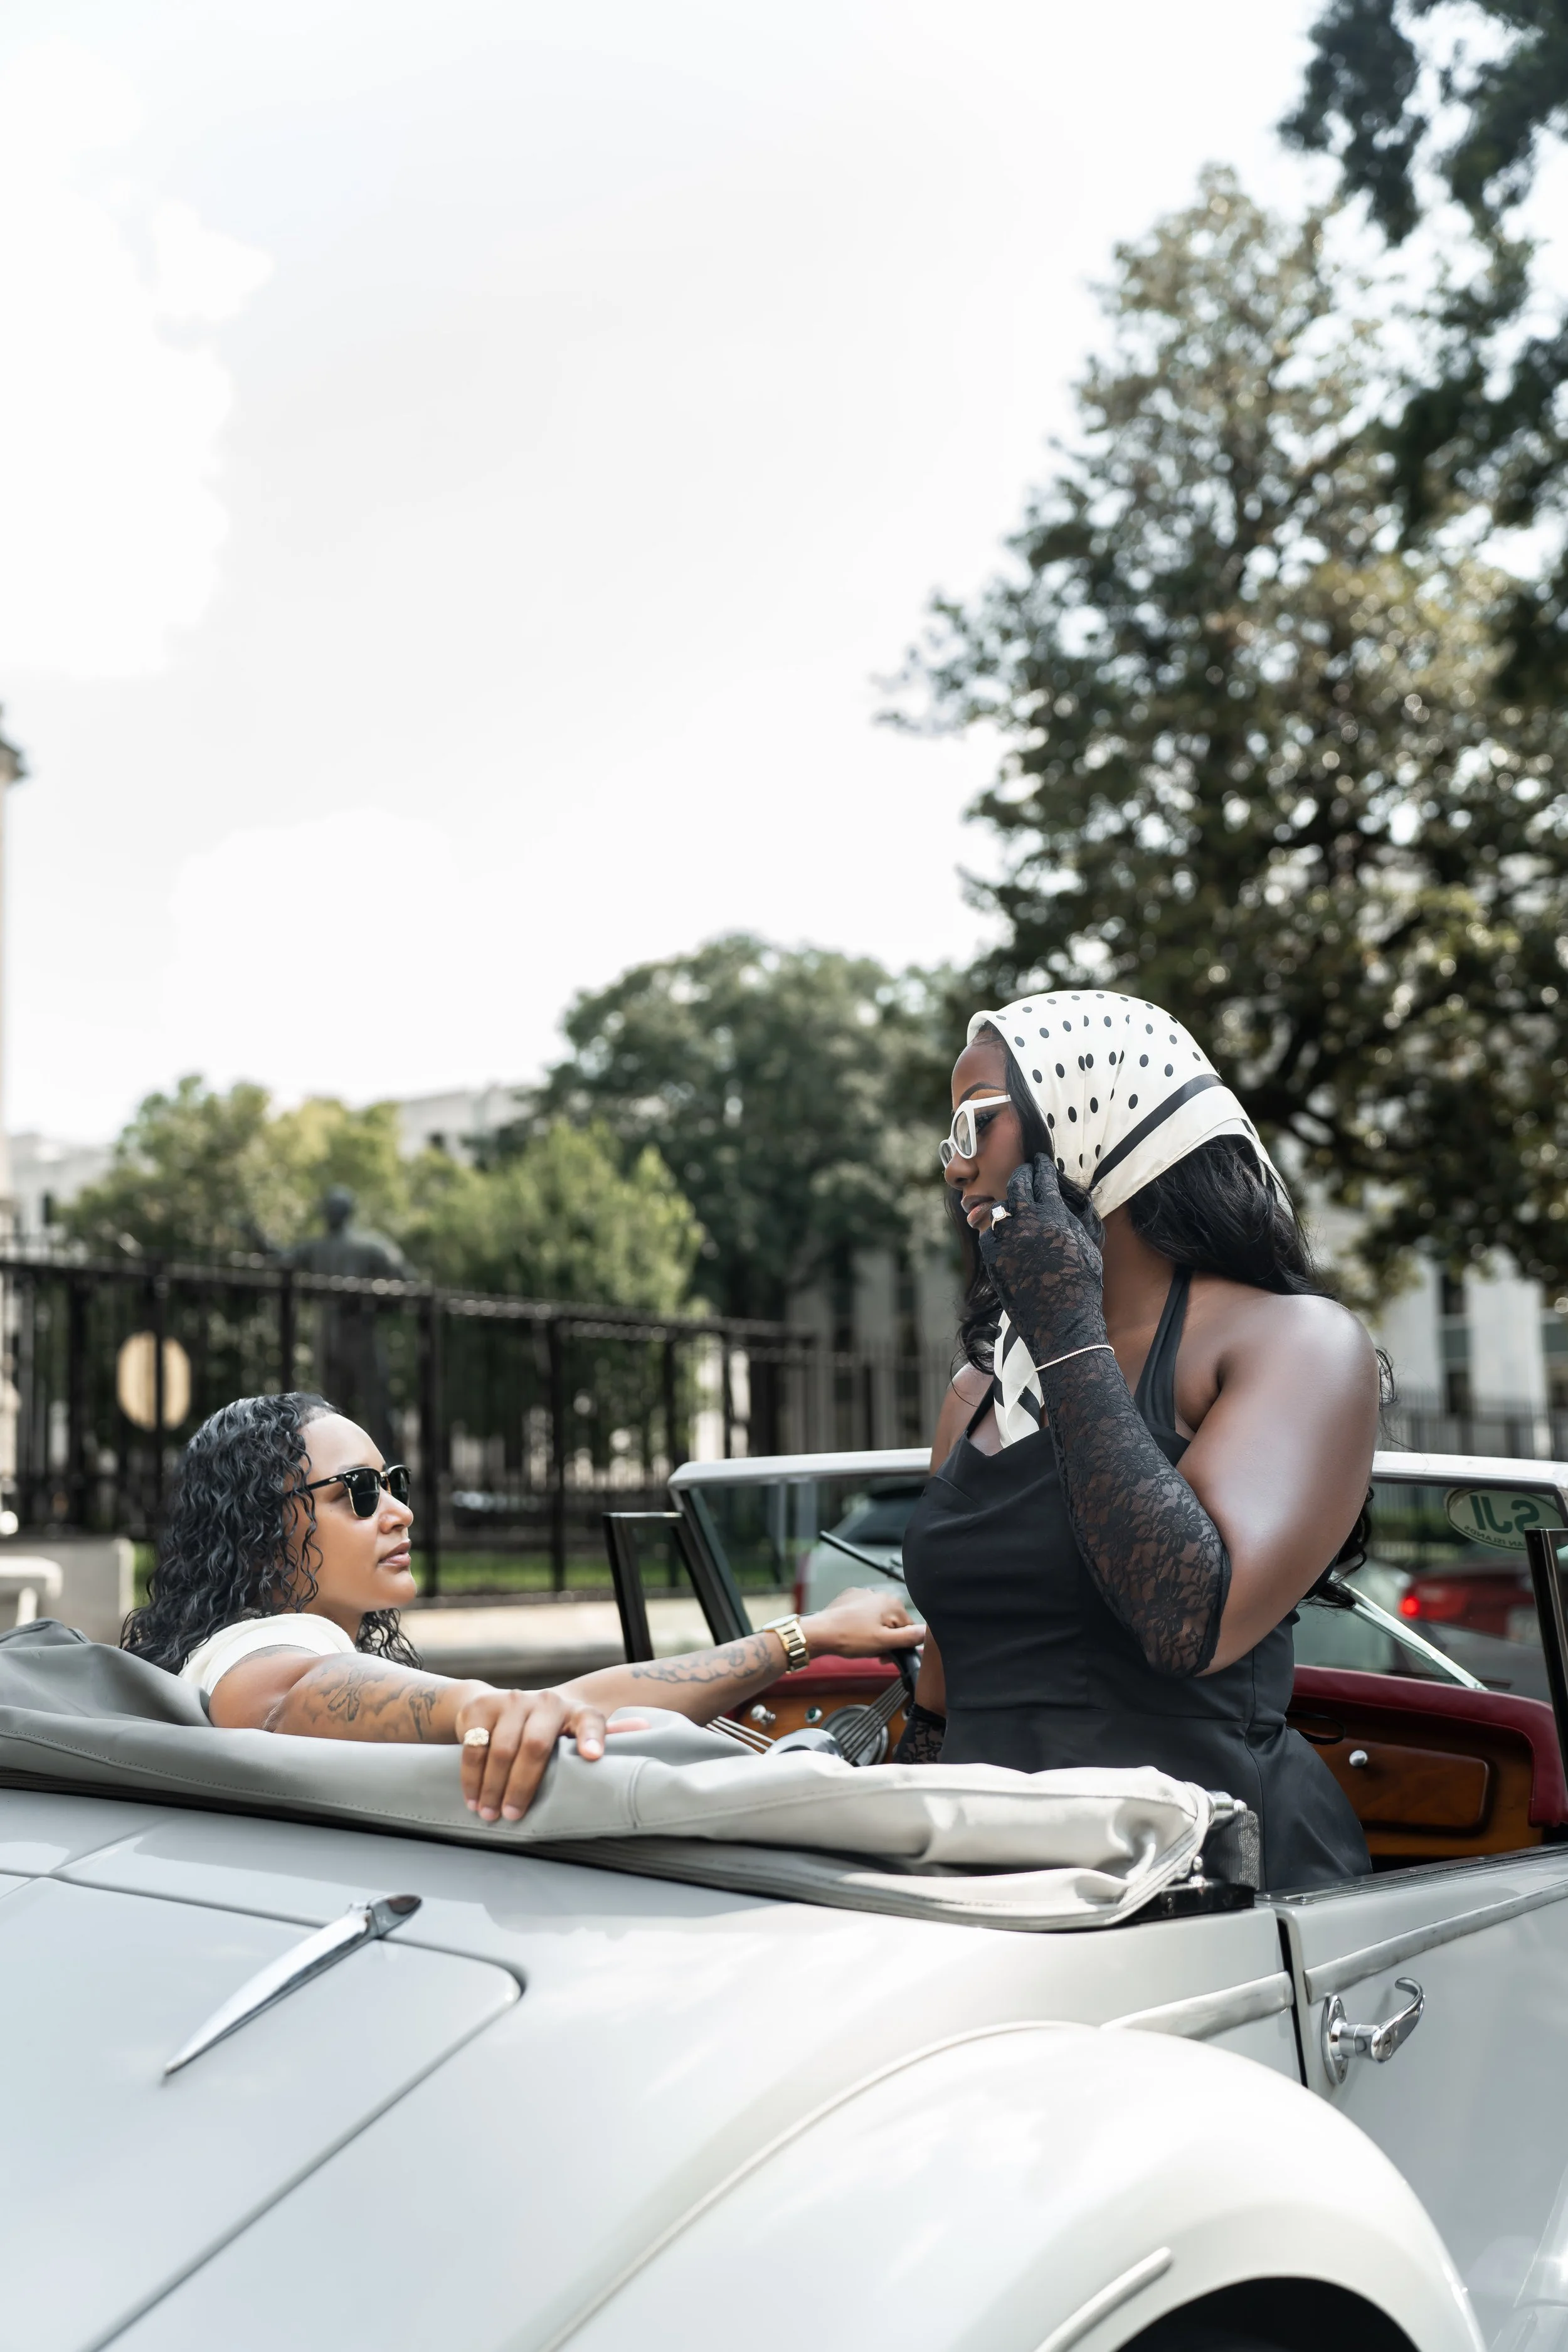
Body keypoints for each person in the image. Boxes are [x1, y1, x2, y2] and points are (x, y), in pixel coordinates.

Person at [896, 990, 1377, 1888]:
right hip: (995, 1887)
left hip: (1215, 1890)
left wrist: (1068, 1331)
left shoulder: (1298, 1342)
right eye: (947, 1138)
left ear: (1091, 1114)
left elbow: (1186, 1622)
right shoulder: (977, 1388)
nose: (955, 1168)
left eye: (975, 1125)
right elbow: (949, 1677)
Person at [122, 1391, 920, 1823]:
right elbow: (285, 1696)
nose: (398, 1510)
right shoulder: (253, 1651)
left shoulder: (266, 1641)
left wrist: (802, 1637)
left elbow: (581, 1702)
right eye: (359, 1494)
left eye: (393, 1484)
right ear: (263, 1530)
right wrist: (481, 1705)